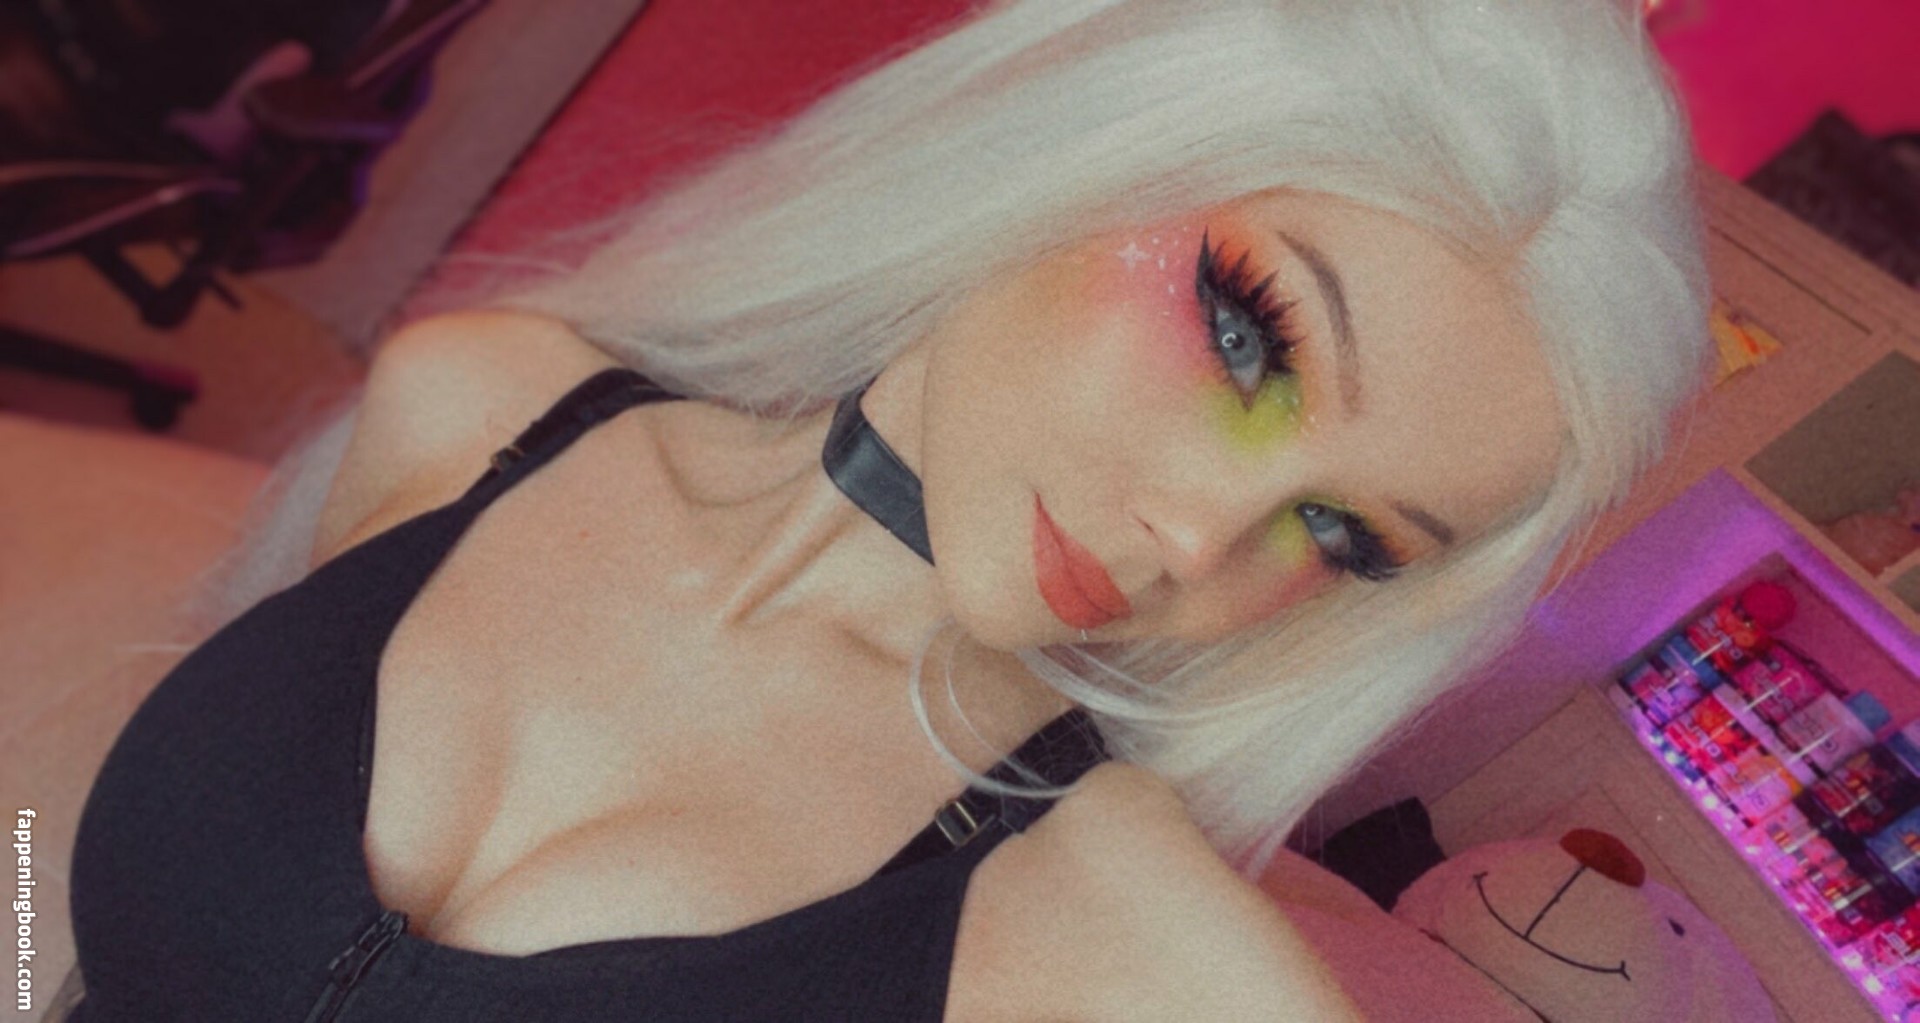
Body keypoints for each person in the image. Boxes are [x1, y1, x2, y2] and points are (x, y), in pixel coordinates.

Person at [57, 0, 1709, 1019]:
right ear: (1093, 146)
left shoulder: (1132, 952)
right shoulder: (472, 398)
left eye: (1343, 537)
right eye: (1242, 336)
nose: (1202, 539)